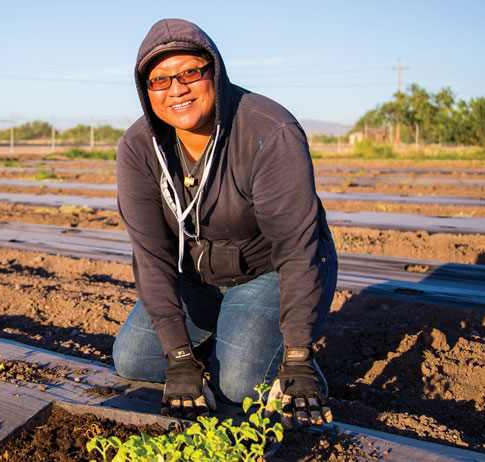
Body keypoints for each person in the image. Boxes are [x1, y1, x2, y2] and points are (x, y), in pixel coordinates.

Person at [112, 18, 338, 429]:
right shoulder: (137, 148)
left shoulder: (269, 131)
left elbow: (296, 248)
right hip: (197, 277)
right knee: (132, 359)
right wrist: (180, 358)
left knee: (239, 383)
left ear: (214, 70)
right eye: (159, 80)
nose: (176, 89)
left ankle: (275, 349)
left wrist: (299, 354)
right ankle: (224, 338)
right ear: (146, 92)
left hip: (268, 270)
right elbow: (151, 257)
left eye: (189, 73)